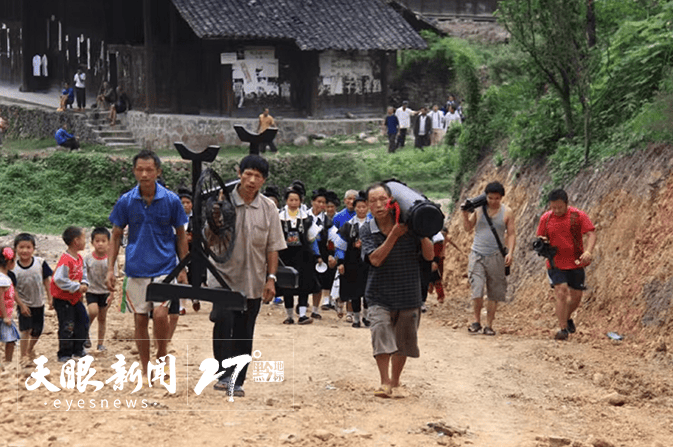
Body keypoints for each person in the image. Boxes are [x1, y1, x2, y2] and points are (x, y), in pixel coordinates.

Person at [106, 150, 189, 379]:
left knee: (161, 315)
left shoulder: (171, 200)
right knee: (140, 319)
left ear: (158, 171)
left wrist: (182, 268)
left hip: (165, 267)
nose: (144, 174)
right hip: (136, 267)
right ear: (134, 171)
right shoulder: (126, 201)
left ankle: (161, 352)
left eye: (149, 169)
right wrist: (110, 269)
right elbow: (115, 235)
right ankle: (145, 368)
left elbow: (181, 235)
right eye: (140, 169)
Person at [208, 154, 286, 397]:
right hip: (223, 276)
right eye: (248, 174)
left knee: (244, 329)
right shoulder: (223, 203)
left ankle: (237, 380)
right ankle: (223, 372)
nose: (252, 180)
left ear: (263, 180)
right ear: (239, 173)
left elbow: (273, 246)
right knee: (222, 320)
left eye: (258, 176)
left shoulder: (269, 208)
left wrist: (271, 278)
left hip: (253, 279)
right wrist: (215, 216)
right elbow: (208, 237)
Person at [360, 182, 434, 397]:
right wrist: (393, 235)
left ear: (392, 201)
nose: (379, 205)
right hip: (378, 294)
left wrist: (423, 231)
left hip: (409, 292)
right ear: (367, 206)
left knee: (404, 341)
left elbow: (429, 256)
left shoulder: (409, 226)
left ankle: (395, 381)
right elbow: (375, 259)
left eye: (383, 199)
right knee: (381, 333)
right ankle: (384, 382)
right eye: (373, 201)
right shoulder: (367, 229)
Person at [536, 189, 596, 341]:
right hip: (555, 263)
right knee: (561, 292)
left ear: (566, 204)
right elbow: (540, 237)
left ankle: (567, 317)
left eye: (559, 207)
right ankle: (563, 329)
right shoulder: (546, 218)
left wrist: (588, 251)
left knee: (576, 296)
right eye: (553, 207)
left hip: (576, 262)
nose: (556, 210)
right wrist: (542, 243)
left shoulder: (578, 216)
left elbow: (591, 233)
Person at [461, 182, 516, 336]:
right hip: (477, 254)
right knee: (477, 289)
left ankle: (489, 325)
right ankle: (476, 321)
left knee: (494, 291)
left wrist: (510, 252)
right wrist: (465, 214)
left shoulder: (507, 212)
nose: (493, 201)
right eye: (490, 198)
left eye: (496, 198)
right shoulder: (478, 209)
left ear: (501, 197)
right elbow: (467, 228)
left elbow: (511, 234)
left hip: (496, 256)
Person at [277, 183, 321, 325]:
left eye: (296, 200)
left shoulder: (306, 217)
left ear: (301, 201)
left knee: (304, 284)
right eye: (291, 200)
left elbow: (312, 237)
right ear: (286, 201)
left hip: (303, 256)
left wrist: (316, 253)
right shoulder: (279, 217)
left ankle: (302, 315)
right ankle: (289, 316)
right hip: (286, 256)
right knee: (286, 285)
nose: (294, 203)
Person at [12, 233, 53, 363]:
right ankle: (24, 355)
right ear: (15, 249)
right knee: (25, 330)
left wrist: (50, 298)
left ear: (33, 248)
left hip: (39, 303)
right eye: (21, 247)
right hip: (24, 304)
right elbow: (11, 289)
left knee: (37, 331)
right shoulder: (13, 268)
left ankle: (29, 349)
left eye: (28, 247)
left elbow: (47, 281)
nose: (24, 250)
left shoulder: (40, 263)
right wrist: (21, 305)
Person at [50, 227, 89, 362]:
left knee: (83, 321)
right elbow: (58, 280)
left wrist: (84, 282)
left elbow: (83, 273)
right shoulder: (65, 260)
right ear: (76, 241)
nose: (86, 241)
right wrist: (77, 286)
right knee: (67, 326)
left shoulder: (78, 258)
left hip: (75, 298)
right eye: (84, 238)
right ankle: (64, 353)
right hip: (63, 300)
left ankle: (78, 349)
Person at [335, 191, 371, 328]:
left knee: (367, 292)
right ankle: (356, 319)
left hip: (368, 263)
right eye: (358, 207)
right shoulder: (348, 225)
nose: (361, 209)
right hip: (352, 263)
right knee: (355, 292)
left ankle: (366, 317)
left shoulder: (373, 224)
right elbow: (340, 246)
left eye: (363, 207)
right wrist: (340, 262)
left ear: (367, 208)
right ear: (355, 208)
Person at [84, 227, 115, 352]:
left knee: (102, 318)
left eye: (103, 241)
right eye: (97, 241)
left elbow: (113, 278)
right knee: (93, 311)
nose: (100, 244)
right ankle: (85, 330)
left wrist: (112, 293)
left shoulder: (111, 259)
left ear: (109, 242)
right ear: (92, 242)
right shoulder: (88, 258)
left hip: (105, 292)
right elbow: (83, 275)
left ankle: (100, 344)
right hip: (91, 291)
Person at [0, 246, 21, 366]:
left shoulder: (5, 277)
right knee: (11, 339)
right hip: (3, 315)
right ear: (9, 262)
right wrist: (5, 316)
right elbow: (0, 299)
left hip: (4, 314)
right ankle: (7, 362)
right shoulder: (3, 279)